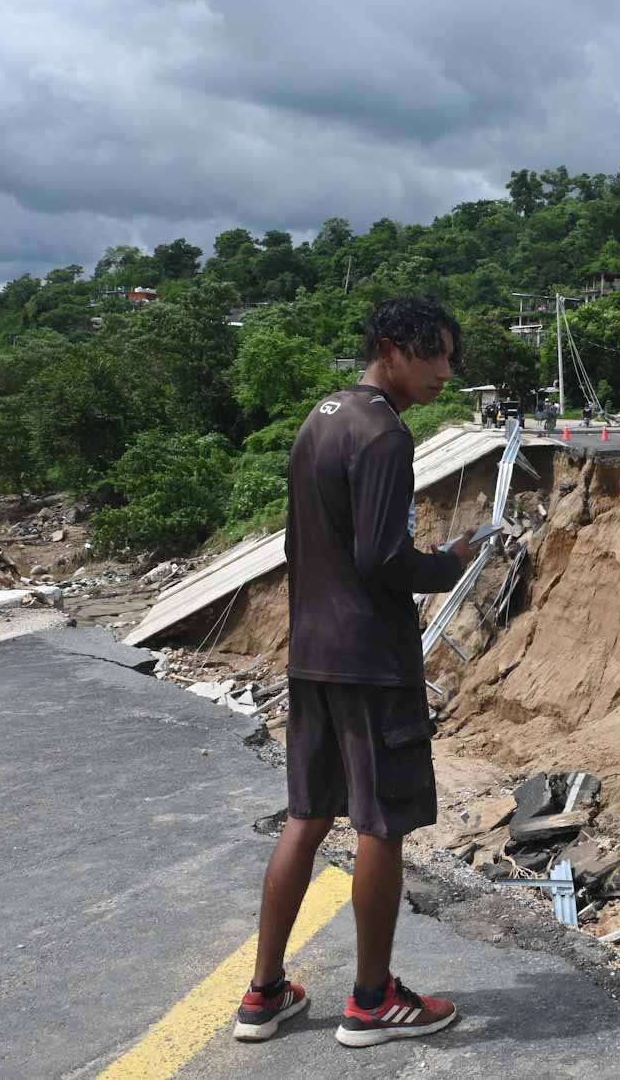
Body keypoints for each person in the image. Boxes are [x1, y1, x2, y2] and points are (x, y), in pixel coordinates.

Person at [241, 296, 471, 1048]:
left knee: (307, 817)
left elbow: (295, 544)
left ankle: (265, 992)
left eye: (447, 354)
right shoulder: (383, 434)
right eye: (431, 353)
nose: (444, 370)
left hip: (311, 652)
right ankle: (371, 1000)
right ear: (390, 349)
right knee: (382, 823)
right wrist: (450, 562)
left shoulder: (321, 419)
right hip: (371, 660)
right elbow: (381, 557)